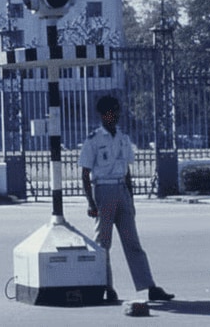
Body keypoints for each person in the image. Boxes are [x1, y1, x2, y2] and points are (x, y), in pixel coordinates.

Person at [80, 95, 174, 303]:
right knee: (103, 243)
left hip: (121, 190)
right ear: (103, 115)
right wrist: (90, 202)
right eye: (112, 111)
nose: (116, 115)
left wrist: (130, 198)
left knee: (133, 243)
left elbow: (127, 170)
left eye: (117, 111)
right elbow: (85, 173)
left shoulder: (123, 138)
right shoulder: (93, 139)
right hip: (103, 191)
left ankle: (149, 286)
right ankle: (106, 287)